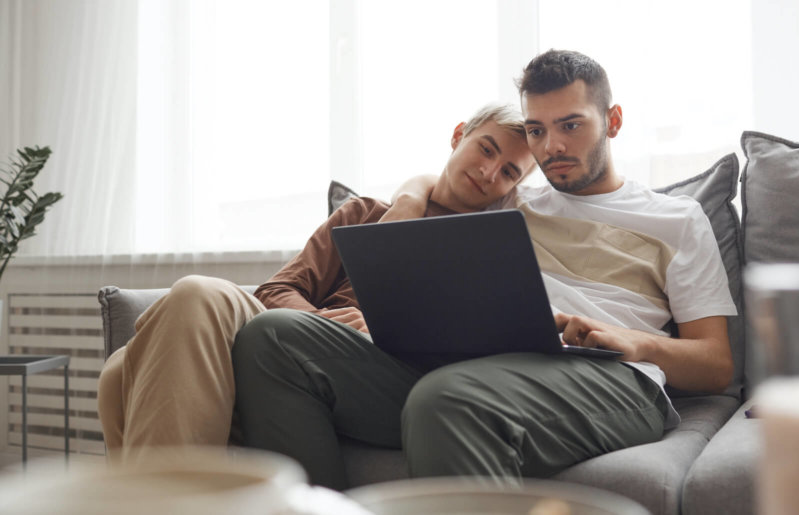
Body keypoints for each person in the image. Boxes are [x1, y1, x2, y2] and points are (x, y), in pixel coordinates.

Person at [231, 49, 737, 490]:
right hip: (478, 370)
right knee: (273, 336)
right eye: (537, 130)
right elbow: (446, 178)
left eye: (571, 125)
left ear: (614, 121)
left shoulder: (676, 218)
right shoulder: (514, 198)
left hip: (611, 377)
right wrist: (410, 197)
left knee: (447, 399)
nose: (552, 146)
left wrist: (633, 341)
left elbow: (716, 365)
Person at [96, 103, 536, 461]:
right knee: (191, 295)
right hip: (295, 332)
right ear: (459, 135)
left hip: (367, 369)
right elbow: (276, 291)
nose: (491, 171)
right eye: (487, 149)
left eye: (510, 172)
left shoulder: (485, 248)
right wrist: (322, 322)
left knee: (125, 368)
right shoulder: (365, 213)